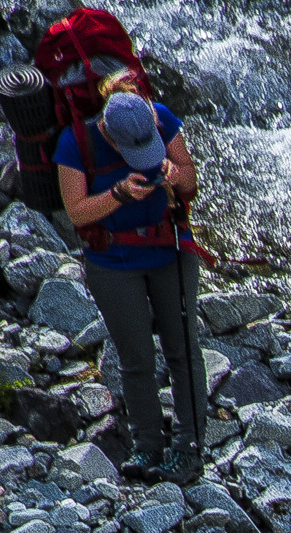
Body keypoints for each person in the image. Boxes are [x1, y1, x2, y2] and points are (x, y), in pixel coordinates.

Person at [54, 85, 206, 481]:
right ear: (109, 131)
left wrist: (177, 176)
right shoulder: (75, 143)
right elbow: (77, 212)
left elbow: (190, 180)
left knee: (183, 350)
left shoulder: (160, 117)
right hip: (114, 261)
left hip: (169, 249)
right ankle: (147, 448)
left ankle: (189, 450)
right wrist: (118, 195)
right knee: (136, 358)